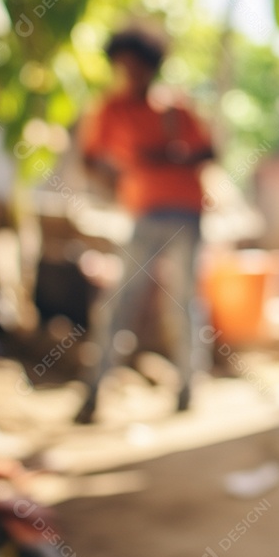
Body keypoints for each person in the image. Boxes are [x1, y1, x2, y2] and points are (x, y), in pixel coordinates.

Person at [74, 29, 213, 424]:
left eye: (138, 67)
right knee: (120, 303)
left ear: (152, 68)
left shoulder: (175, 109)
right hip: (143, 215)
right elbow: (90, 158)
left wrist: (168, 157)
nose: (130, 74)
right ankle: (93, 393)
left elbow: (208, 151)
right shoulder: (110, 109)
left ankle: (188, 388)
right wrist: (115, 184)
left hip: (185, 214)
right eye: (124, 67)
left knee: (183, 303)